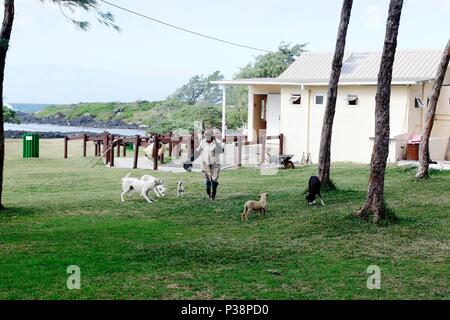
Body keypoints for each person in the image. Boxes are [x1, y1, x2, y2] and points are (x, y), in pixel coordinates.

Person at [185, 128, 224, 200]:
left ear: (212, 136)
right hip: (205, 164)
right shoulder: (203, 142)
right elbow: (197, 152)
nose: (206, 137)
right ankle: (209, 195)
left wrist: (215, 141)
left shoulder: (218, 142)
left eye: (208, 136)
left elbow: (221, 151)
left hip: (215, 165)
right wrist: (189, 160)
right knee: (208, 181)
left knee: (214, 181)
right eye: (205, 136)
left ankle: (213, 196)